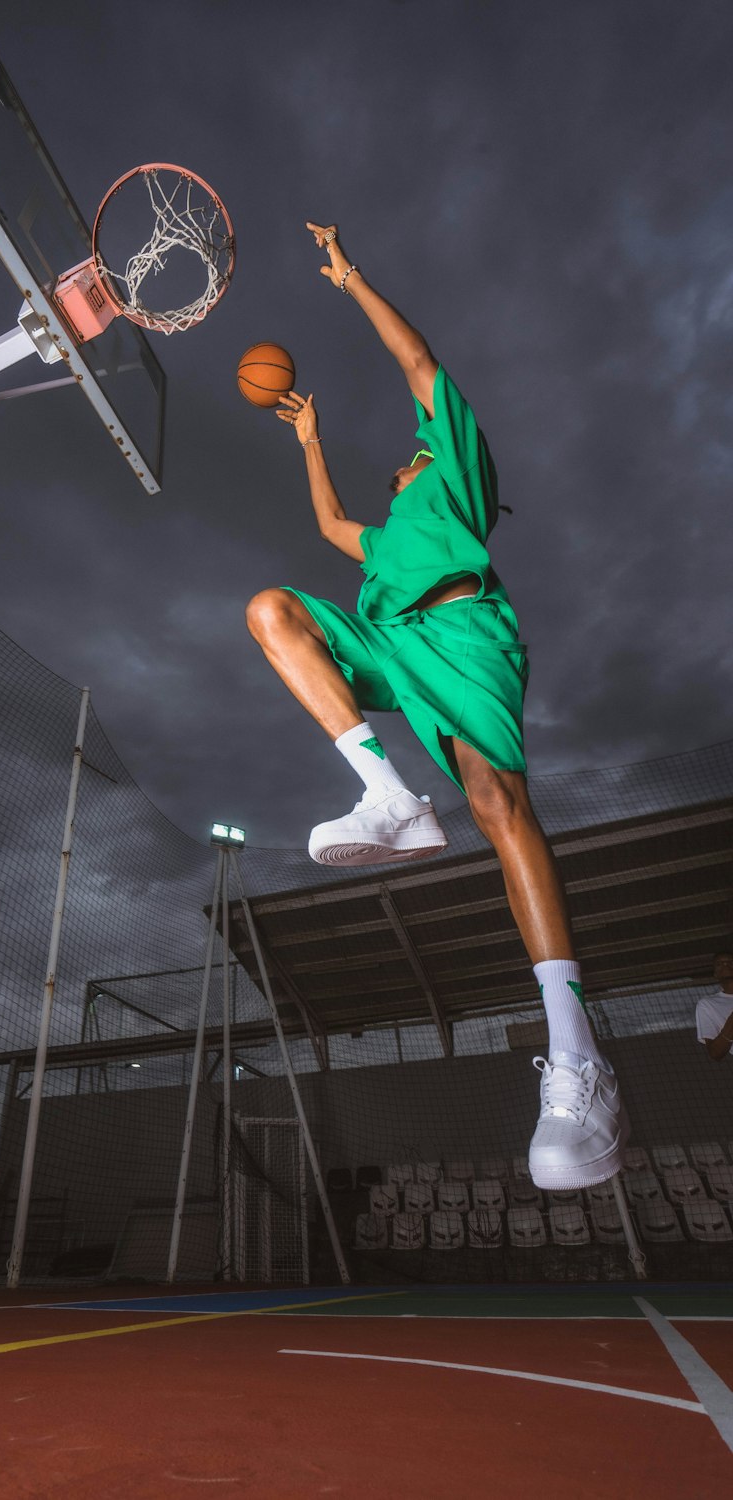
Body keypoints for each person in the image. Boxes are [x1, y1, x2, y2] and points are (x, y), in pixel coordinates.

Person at [246, 222, 628, 1189]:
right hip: (395, 645)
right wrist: (310, 439)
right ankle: (388, 797)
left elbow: (417, 360)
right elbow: (334, 527)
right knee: (271, 610)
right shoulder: (389, 535)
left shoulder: (454, 473)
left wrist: (352, 280)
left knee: (500, 807)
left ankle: (578, 1056)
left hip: (462, 635)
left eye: (406, 467)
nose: (401, 474)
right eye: (400, 474)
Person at [696, 950, 733, 1061]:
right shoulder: (707, 1004)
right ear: (715, 974)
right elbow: (715, 1053)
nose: (725, 965)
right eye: (719, 964)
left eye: (731, 962)